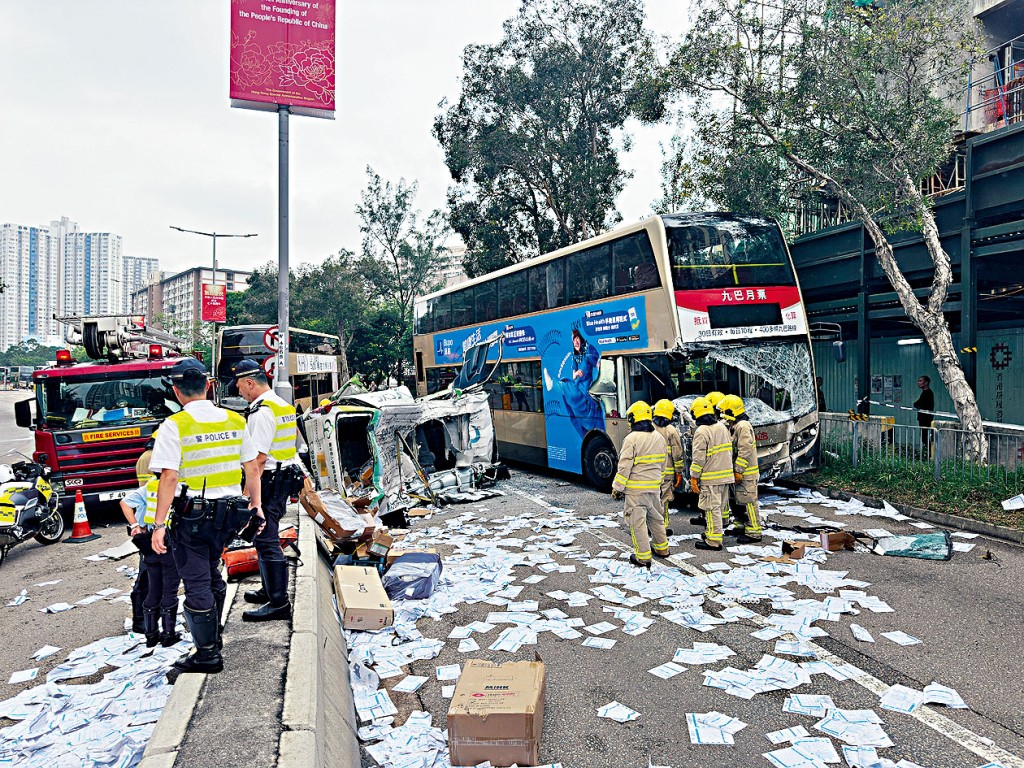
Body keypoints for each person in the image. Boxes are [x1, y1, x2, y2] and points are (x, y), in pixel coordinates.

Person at [150, 358, 263, 677]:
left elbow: (168, 478)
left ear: (175, 390)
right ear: (209, 385)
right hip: (229, 515)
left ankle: (207, 654)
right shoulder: (235, 420)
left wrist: (158, 526)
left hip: (193, 518)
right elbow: (251, 469)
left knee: (197, 579)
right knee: (212, 572)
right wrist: (256, 508)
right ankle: (212, 638)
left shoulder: (174, 425)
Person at [233, 359, 298, 622]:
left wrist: (249, 497)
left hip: (269, 481)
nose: (239, 392)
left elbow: (258, 460)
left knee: (266, 539)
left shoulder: (262, 412)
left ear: (250, 383)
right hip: (281, 479)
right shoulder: (281, 404)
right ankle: (269, 590)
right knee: (263, 538)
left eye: (240, 386)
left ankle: (279, 603)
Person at [611, 401, 669, 568]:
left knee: (637, 523)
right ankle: (662, 548)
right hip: (654, 487)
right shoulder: (659, 437)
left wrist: (617, 488)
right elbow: (663, 463)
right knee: (656, 518)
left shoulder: (631, 439)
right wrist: (660, 481)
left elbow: (624, 466)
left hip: (636, 490)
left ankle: (643, 557)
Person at [688, 397, 734, 551]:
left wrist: (694, 476)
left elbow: (699, 457)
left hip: (710, 477)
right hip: (725, 476)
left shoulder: (702, 431)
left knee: (711, 508)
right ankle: (712, 533)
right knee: (719, 507)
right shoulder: (721, 427)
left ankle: (713, 541)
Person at [718, 395, 763, 543]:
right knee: (736, 501)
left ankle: (754, 531)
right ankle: (740, 526)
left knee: (748, 501)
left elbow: (745, 450)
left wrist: (738, 470)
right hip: (736, 473)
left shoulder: (743, 426)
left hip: (746, 473)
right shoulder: (734, 425)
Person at [125, 440, 155, 634]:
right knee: (147, 575)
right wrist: (138, 526)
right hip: (148, 528)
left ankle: (147, 618)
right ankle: (141, 620)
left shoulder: (148, 457)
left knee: (151, 575)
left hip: (150, 526)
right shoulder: (151, 459)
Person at [652, 399, 684, 537]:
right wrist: (679, 472)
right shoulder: (671, 430)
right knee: (663, 501)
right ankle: (662, 528)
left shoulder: (648, 427)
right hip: (667, 473)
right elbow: (677, 454)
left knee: (652, 500)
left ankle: (651, 526)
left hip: (650, 472)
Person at [914, 375, 934, 454]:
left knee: (925, 437)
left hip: (926, 418)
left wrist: (917, 405)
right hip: (923, 418)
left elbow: (921, 405)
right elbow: (917, 403)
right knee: (924, 437)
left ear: (926, 383)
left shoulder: (928, 393)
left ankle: (929, 454)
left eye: (920, 381)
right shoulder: (924, 393)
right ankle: (927, 453)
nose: (918, 383)